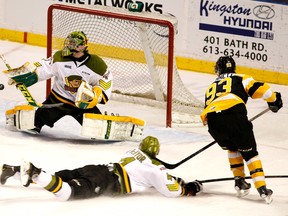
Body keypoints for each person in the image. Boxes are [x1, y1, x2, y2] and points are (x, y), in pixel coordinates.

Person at [0, 136, 203, 200]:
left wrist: (170, 176)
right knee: (67, 193)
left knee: (60, 178)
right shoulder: (154, 169)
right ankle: (35, 172)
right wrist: (188, 187)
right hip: (108, 180)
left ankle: (14, 170)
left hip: (98, 167)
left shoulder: (133, 153)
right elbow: (169, 190)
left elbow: (152, 174)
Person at [200, 56, 282, 204]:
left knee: (232, 148)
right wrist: (275, 99)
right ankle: (262, 188)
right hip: (235, 117)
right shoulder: (241, 78)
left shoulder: (210, 87)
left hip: (213, 123)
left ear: (218, 70)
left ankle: (239, 181)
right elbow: (263, 90)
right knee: (250, 154)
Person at [7, 31, 113, 133]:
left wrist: (98, 94)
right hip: (57, 101)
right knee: (32, 124)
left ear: (82, 46)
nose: (68, 46)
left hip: (82, 105)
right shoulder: (59, 57)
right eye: (68, 42)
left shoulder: (96, 64)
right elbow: (44, 67)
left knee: (99, 130)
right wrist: (27, 74)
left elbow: (105, 80)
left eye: (73, 43)